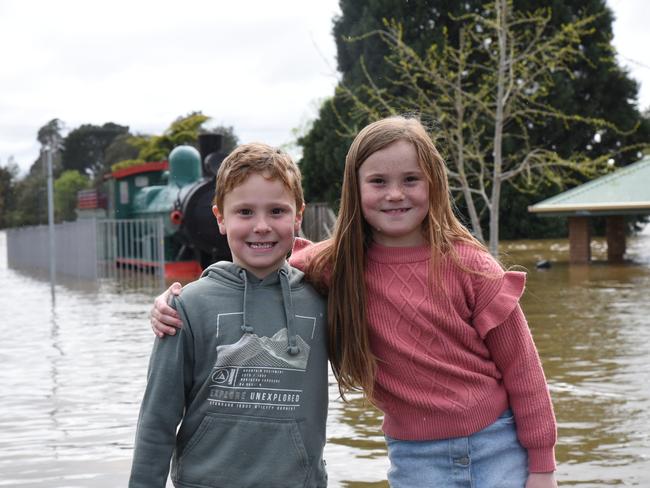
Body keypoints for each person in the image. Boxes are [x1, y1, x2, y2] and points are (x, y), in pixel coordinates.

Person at [151, 116, 557, 488]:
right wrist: (176, 299)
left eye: (411, 180)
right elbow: (261, 266)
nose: (395, 194)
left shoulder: (471, 265)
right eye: (378, 181)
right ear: (356, 187)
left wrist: (542, 466)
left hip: (497, 442)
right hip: (416, 457)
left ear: (433, 183)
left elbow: (524, 371)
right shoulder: (336, 265)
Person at [130, 143, 329, 488]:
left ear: (298, 216)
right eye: (245, 212)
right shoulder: (186, 307)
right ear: (220, 218)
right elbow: (157, 420)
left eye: (278, 211)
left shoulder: (324, 299)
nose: (262, 226)